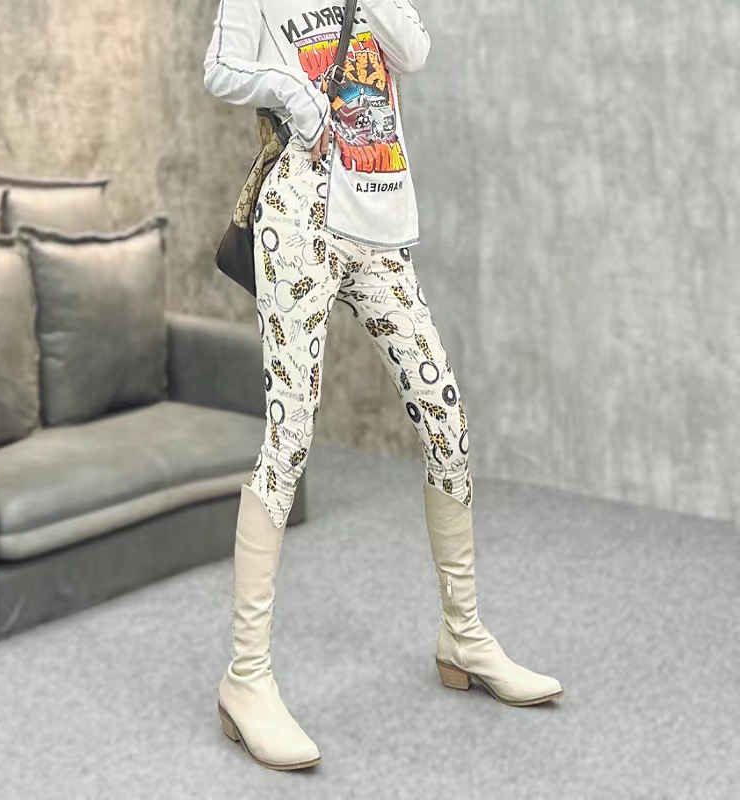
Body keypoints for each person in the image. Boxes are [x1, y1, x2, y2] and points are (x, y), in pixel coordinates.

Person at [203, 0, 563, 771]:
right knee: (289, 440)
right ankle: (247, 679)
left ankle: (463, 634)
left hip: (378, 227)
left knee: (446, 423)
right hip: (298, 222)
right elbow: (220, 69)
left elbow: (414, 52)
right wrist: (294, 94)